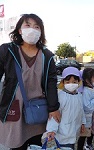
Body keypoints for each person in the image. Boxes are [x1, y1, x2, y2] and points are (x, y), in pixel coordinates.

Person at [0, 14, 60, 149]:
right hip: (13, 107)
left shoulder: (47, 55)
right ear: (20, 30)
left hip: (38, 109)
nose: (32, 29)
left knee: (36, 145)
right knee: (16, 145)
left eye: (36, 27)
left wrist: (54, 108)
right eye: (27, 25)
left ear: (41, 32)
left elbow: (51, 83)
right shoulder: (7, 50)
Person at [46, 67, 86, 150]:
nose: (71, 84)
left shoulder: (79, 96)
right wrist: (51, 129)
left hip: (75, 131)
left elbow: (81, 110)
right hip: (63, 133)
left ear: (79, 82)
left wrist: (83, 122)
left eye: (74, 82)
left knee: (72, 146)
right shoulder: (60, 96)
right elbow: (54, 115)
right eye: (68, 82)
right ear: (63, 82)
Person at [77, 68, 94, 150]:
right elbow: (87, 106)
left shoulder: (92, 88)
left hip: (92, 116)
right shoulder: (86, 91)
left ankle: (89, 144)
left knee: (92, 132)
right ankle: (80, 148)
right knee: (84, 134)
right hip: (86, 117)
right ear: (87, 80)